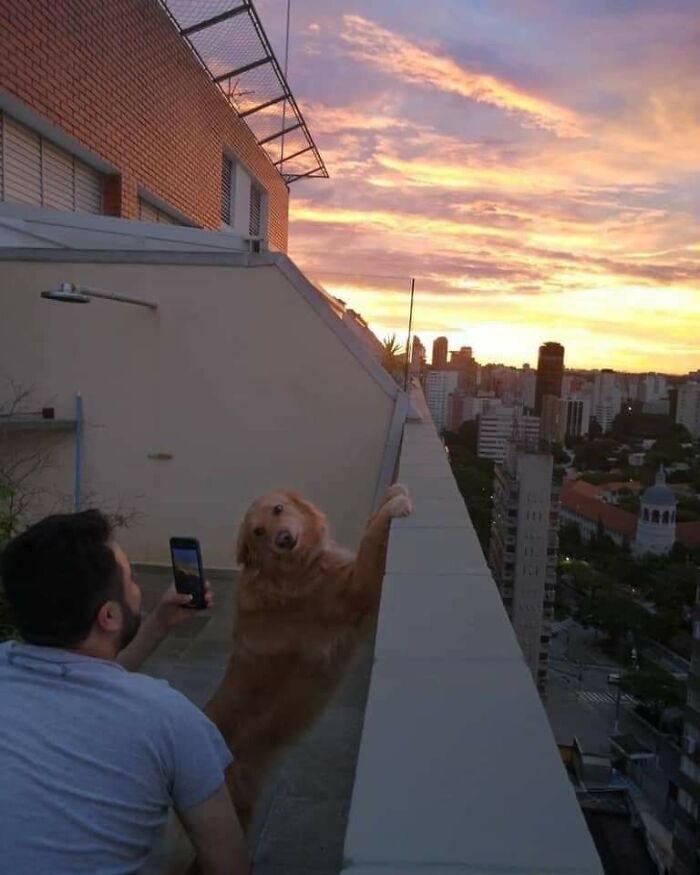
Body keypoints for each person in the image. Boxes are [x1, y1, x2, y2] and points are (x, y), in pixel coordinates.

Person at [0, 509, 249, 874]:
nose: (138, 590)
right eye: (132, 579)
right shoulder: (169, 719)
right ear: (109, 617)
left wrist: (159, 623)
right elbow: (231, 866)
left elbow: (85, 677)